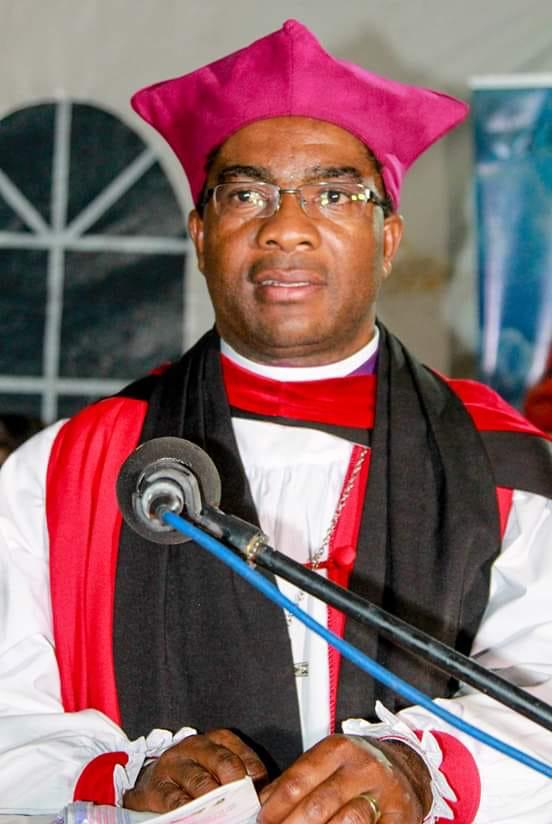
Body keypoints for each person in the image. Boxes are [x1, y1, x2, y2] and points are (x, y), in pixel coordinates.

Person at [0, 19, 551, 823]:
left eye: (334, 194)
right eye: (246, 194)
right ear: (200, 235)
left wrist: (423, 770)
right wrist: (120, 779)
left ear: (388, 238)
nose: (286, 226)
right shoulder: (61, 474)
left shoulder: (508, 470)